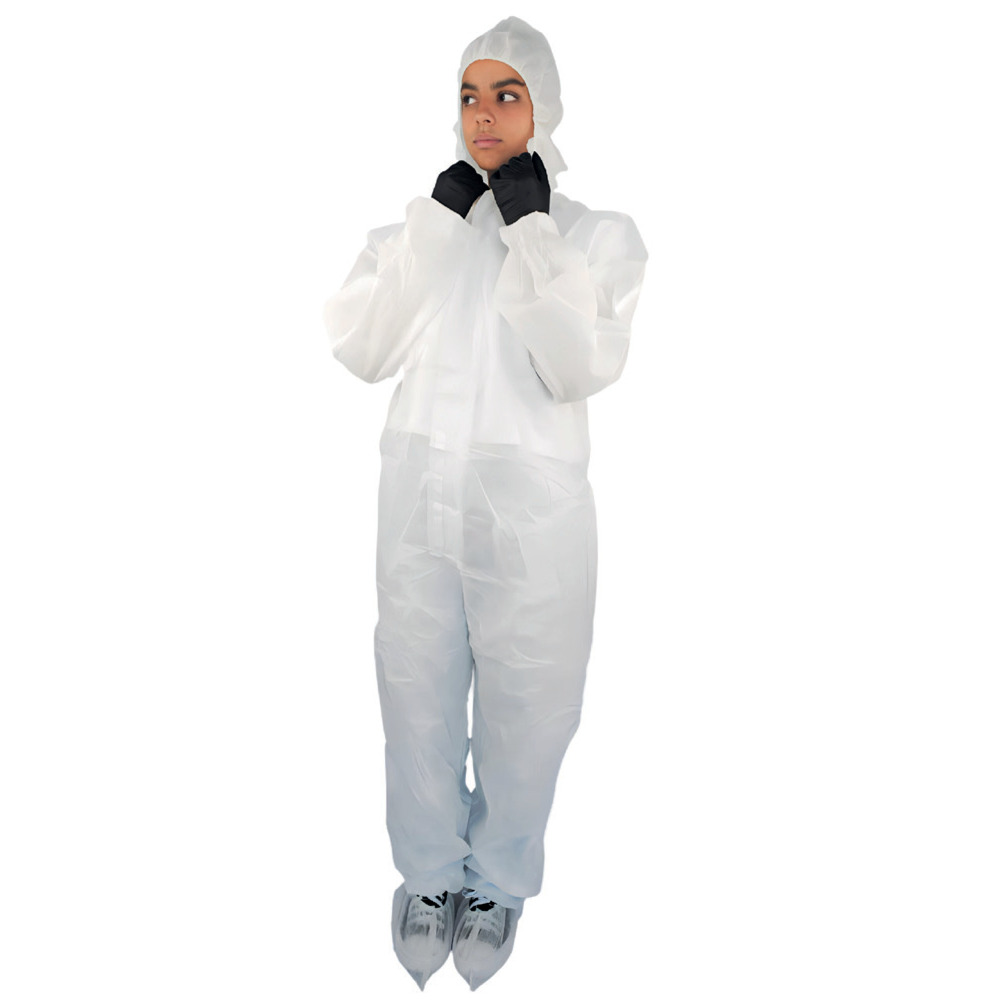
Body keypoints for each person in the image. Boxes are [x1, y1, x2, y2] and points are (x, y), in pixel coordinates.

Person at [323, 16, 647, 991]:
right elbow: (362, 348)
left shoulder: (597, 236)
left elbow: (578, 364)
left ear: (545, 106)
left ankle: (497, 881)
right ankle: (428, 876)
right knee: (414, 692)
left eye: (508, 94)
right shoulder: (418, 232)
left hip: (532, 518)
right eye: (469, 95)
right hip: (420, 505)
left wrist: (534, 229)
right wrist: (436, 224)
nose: (484, 115)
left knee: (530, 707)